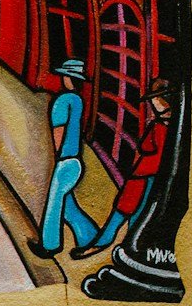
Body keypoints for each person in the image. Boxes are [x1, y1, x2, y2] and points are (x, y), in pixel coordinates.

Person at [75, 77, 175, 260]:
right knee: (137, 214)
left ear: (162, 100)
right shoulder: (174, 128)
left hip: (142, 175)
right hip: (152, 177)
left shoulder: (159, 126)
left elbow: (145, 147)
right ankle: (128, 247)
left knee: (122, 212)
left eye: (155, 100)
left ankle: (101, 244)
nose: (153, 104)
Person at [29, 57, 102, 259]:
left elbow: (58, 132)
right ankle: (90, 237)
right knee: (68, 208)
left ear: (67, 78)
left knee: (54, 204)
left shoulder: (63, 100)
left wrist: (57, 155)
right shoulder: (77, 100)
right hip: (76, 160)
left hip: (65, 161)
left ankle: (49, 245)